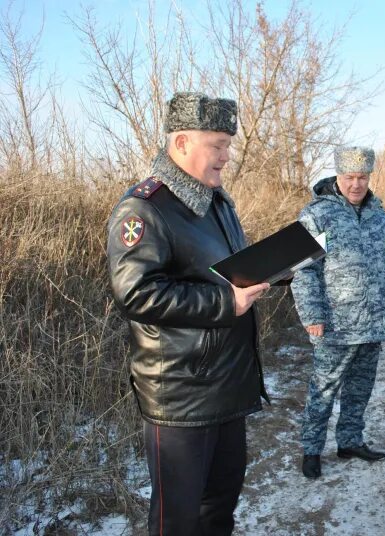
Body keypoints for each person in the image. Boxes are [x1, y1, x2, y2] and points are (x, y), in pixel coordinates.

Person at [106, 92, 270, 535]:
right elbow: (136, 293)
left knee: (219, 510)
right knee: (176, 521)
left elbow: (218, 269)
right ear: (180, 144)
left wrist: (265, 269)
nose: (226, 156)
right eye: (216, 145)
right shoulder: (144, 208)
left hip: (228, 385)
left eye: (228, 145)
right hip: (181, 395)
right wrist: (225, 303)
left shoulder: (218, 202)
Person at [291, 146, 385, 479]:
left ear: (369, 177)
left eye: (362, 177)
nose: (356, 184)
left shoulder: (378, 214)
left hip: (372, 323)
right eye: (349, 177)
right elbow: (303, 270)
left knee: (360, 388)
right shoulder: (316, 215)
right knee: (323, 390)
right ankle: (311, 450)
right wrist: (312, 316)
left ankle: (350, 441)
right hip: (334, 327)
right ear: (337, 177)